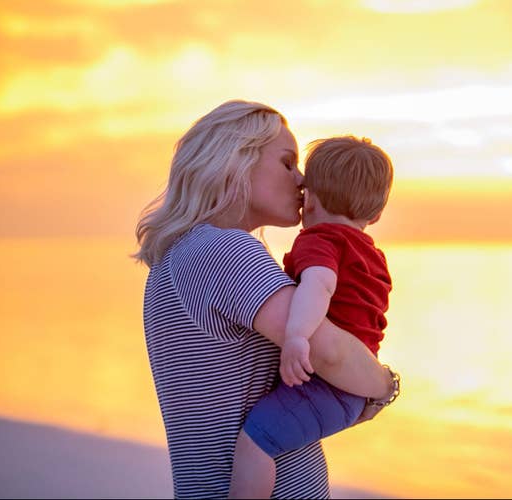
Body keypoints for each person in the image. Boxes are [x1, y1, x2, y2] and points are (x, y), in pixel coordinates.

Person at [133, 99, 400, 499]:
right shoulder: (222, 250)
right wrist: (384, 386)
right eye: (287, 162)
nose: (302, 180)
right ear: (235, 161)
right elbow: (328, 354)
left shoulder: (184, 253)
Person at [229, 136, 397, 498]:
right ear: (376, 214)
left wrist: (297, 337)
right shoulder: (373, 257)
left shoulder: (320, 240)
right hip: (351, 391)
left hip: (326, 387)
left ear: (310, 200)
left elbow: (319, 285)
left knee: (254, 444)